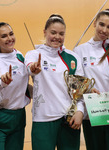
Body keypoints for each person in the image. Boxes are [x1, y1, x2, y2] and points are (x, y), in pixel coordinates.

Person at [25, 14, 84, 150]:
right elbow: (29, 67)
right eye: (53, 32)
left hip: (70, 119)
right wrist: (33, 68)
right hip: (43, 119)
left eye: (61, 33)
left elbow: (79, 91)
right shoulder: (33, 54)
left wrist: (80, 111)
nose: (57, 37)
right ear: (45, 32)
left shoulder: (73, 57)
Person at [74, 9, 109, 150]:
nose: (104, 30)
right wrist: (86, 89)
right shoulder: (79, 51)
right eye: (101, 24)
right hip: (93, 112)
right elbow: (77, 81)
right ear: (94, 23)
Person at [0, 22, 30, 150]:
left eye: (11, 34)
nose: (9, 38)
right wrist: (4, 78)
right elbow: (0, 71)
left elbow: (24, 86)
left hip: (19, 118)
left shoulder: (19, 55)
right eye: (4, 36)